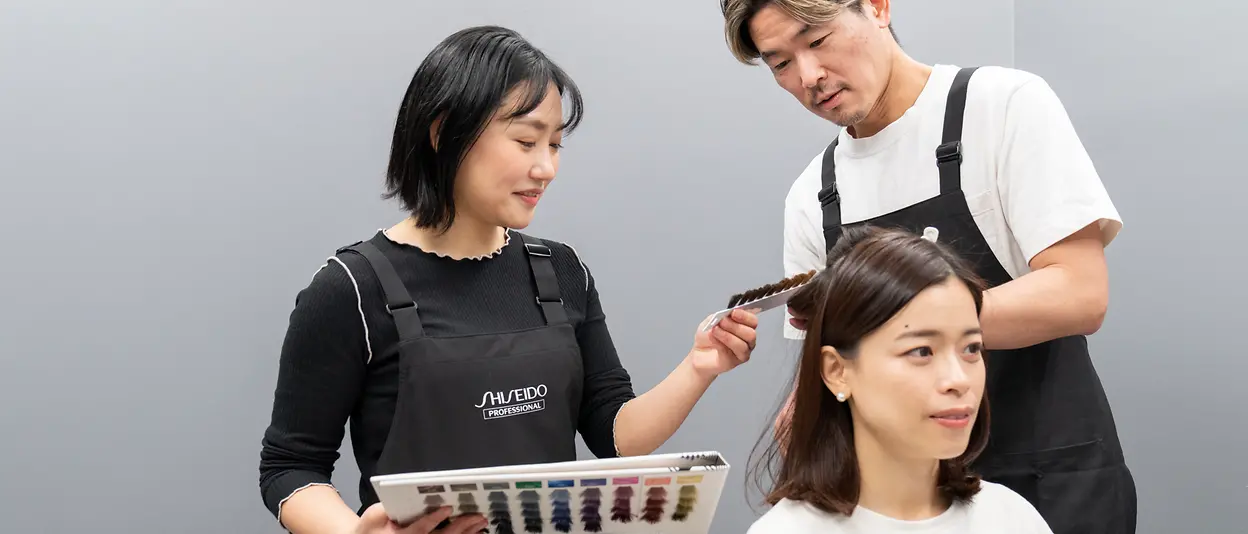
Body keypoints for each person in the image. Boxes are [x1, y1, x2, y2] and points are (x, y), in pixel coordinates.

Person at [257, 25, 760, 534]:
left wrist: (700, 367)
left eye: (556, 145)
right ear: (442, 132)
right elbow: (289, 466)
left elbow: (613, 434)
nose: (546, 168)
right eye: (525, 141)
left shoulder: (563, 271)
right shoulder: (350, 289)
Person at [719, 1, 1136, 533]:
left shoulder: (1001, 106)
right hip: (898, 505)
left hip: (1048, 472)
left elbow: (1078, 293)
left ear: (876, 6)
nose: (809, 76)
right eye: (780, 63)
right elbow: (827, 366)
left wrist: (899, 333)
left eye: (817, 40)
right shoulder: (814, 195)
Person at [745, 224, 1054, 533]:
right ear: (837, 371)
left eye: (971, 348)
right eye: (921, 351)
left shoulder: (1011, 519)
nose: (958, 380)